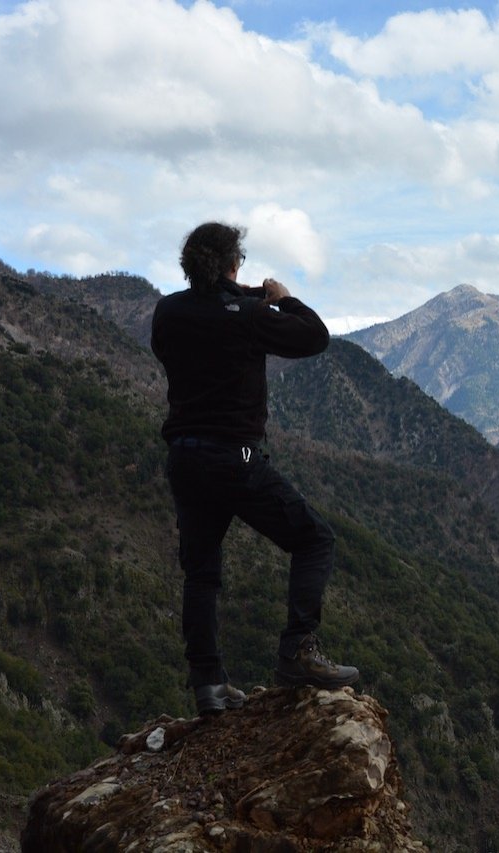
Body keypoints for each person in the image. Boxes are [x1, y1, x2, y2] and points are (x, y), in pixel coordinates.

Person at [151, 221, 358, 715]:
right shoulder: (247, 316)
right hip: (234, 459)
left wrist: (234, 296)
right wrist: (282, 299)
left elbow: (200, 317)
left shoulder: (167, 312)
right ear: (231, 263)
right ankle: (297, 653)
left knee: (201, 572)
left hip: (185, 458)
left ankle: (209, 686)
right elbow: (315, 337)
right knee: (313, 539)